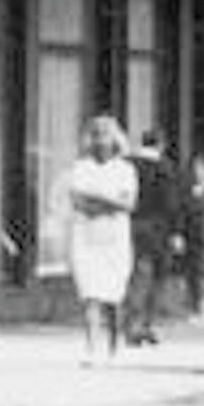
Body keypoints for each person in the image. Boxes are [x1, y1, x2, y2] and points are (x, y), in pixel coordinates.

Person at [65, 114, 140, 363]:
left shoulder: (125, 169)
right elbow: (78, 202)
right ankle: (92, 347)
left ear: (115, 139)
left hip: (115, 240)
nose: (100, 140)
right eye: (95, 134)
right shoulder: (81, 167)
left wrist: (97, 198)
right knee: (90, 294)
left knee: (113, 296)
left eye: (105, 135)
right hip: (85, 238)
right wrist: (109, 202)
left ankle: (114, 346)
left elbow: (128, 204)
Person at [123, 127, 179, 347]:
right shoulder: (165, 168)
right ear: (161, 144)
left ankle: (131, 323)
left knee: (136, 274)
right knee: (156, 277)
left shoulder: (127, 164)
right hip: (158, 228)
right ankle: (146, 324)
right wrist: (176, 231)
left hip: (130, 225)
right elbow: (171, 203)